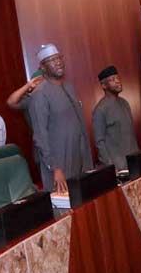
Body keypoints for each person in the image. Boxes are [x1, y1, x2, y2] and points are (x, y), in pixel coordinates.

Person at [28, 44, 93, 192]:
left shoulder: (68, 87)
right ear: (43, 68)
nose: (58, 62)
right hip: (59, 166)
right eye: (52, 60)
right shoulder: (40, 94)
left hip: (80, 158)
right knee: (66, 210)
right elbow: (40, 136)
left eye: (58, 58)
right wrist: (55, 168)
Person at [91, 65, 139, 171]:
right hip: (118, 167)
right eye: (112, 80)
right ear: (104, 85)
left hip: (134, 161)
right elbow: (100, 142)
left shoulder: (125, 103)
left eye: (118, 78)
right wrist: (111, 166)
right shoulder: (100, 110)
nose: (117, 81)